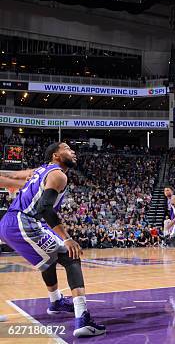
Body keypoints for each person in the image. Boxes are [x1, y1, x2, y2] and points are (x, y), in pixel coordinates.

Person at [0, 142, 105, 337]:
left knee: (49, 260)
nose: (73, 152)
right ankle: (82, 319)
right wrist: (67, 238)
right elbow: (45, 209)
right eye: (67, 148)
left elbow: (14, 176)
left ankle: (56, 301)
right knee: (70, 255)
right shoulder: (58, 175)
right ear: (56, 155)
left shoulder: (41, 170)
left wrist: (7, 179)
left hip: (10, 222)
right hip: (24, 222)